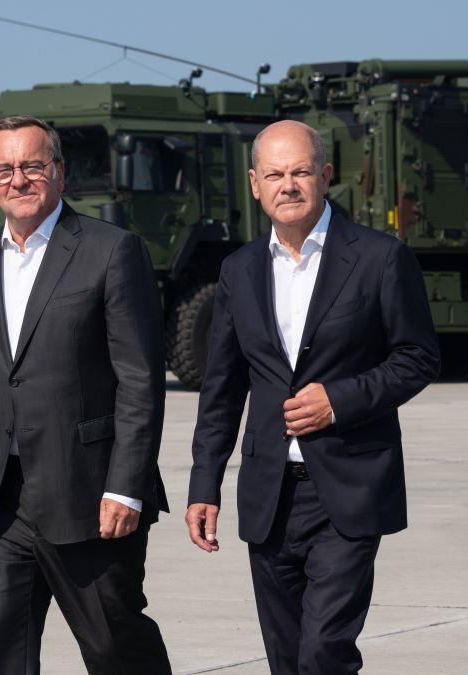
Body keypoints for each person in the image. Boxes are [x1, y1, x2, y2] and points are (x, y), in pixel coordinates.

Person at [185, 120, 440, 674]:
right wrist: (204, 483)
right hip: (269, 495)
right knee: (285, 659)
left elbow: (418, 358)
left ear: (325, 176)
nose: (289, 185)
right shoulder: (238, 270)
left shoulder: (380, 258)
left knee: (323, 653)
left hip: (348, 490)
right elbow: (222, 387)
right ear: (255, 184)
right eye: (275, 174)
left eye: (301, 171)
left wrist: (340, 401)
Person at [0, 115, 171, 674]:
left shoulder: (112, 250)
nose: (17, 180)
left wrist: (126, 487)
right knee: (0, 657)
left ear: (59, 173)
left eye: (31, 166)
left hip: (88, 494)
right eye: (4, 169)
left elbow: (140, 381)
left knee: (114, 647)